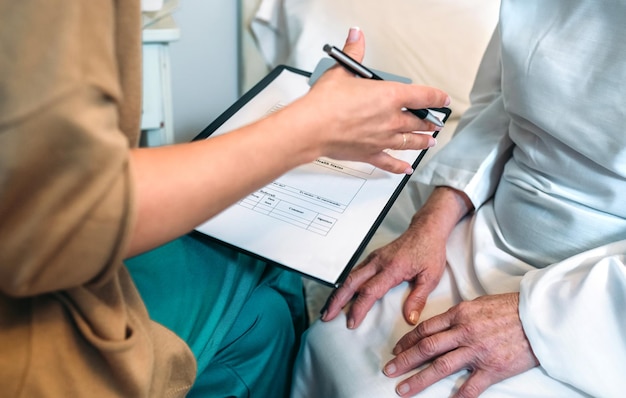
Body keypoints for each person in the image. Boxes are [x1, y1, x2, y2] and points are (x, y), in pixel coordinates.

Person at [0, 1, 450, 397]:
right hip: (25, 328)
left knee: (265, 316)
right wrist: (311, 129)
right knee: (265, 282)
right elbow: (66, 219)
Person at [291, 1, 626, 397]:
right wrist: (431, 221)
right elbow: (503, 106)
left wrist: (542, 321)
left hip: (602, 303)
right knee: (331, 339)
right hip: (490, 237)